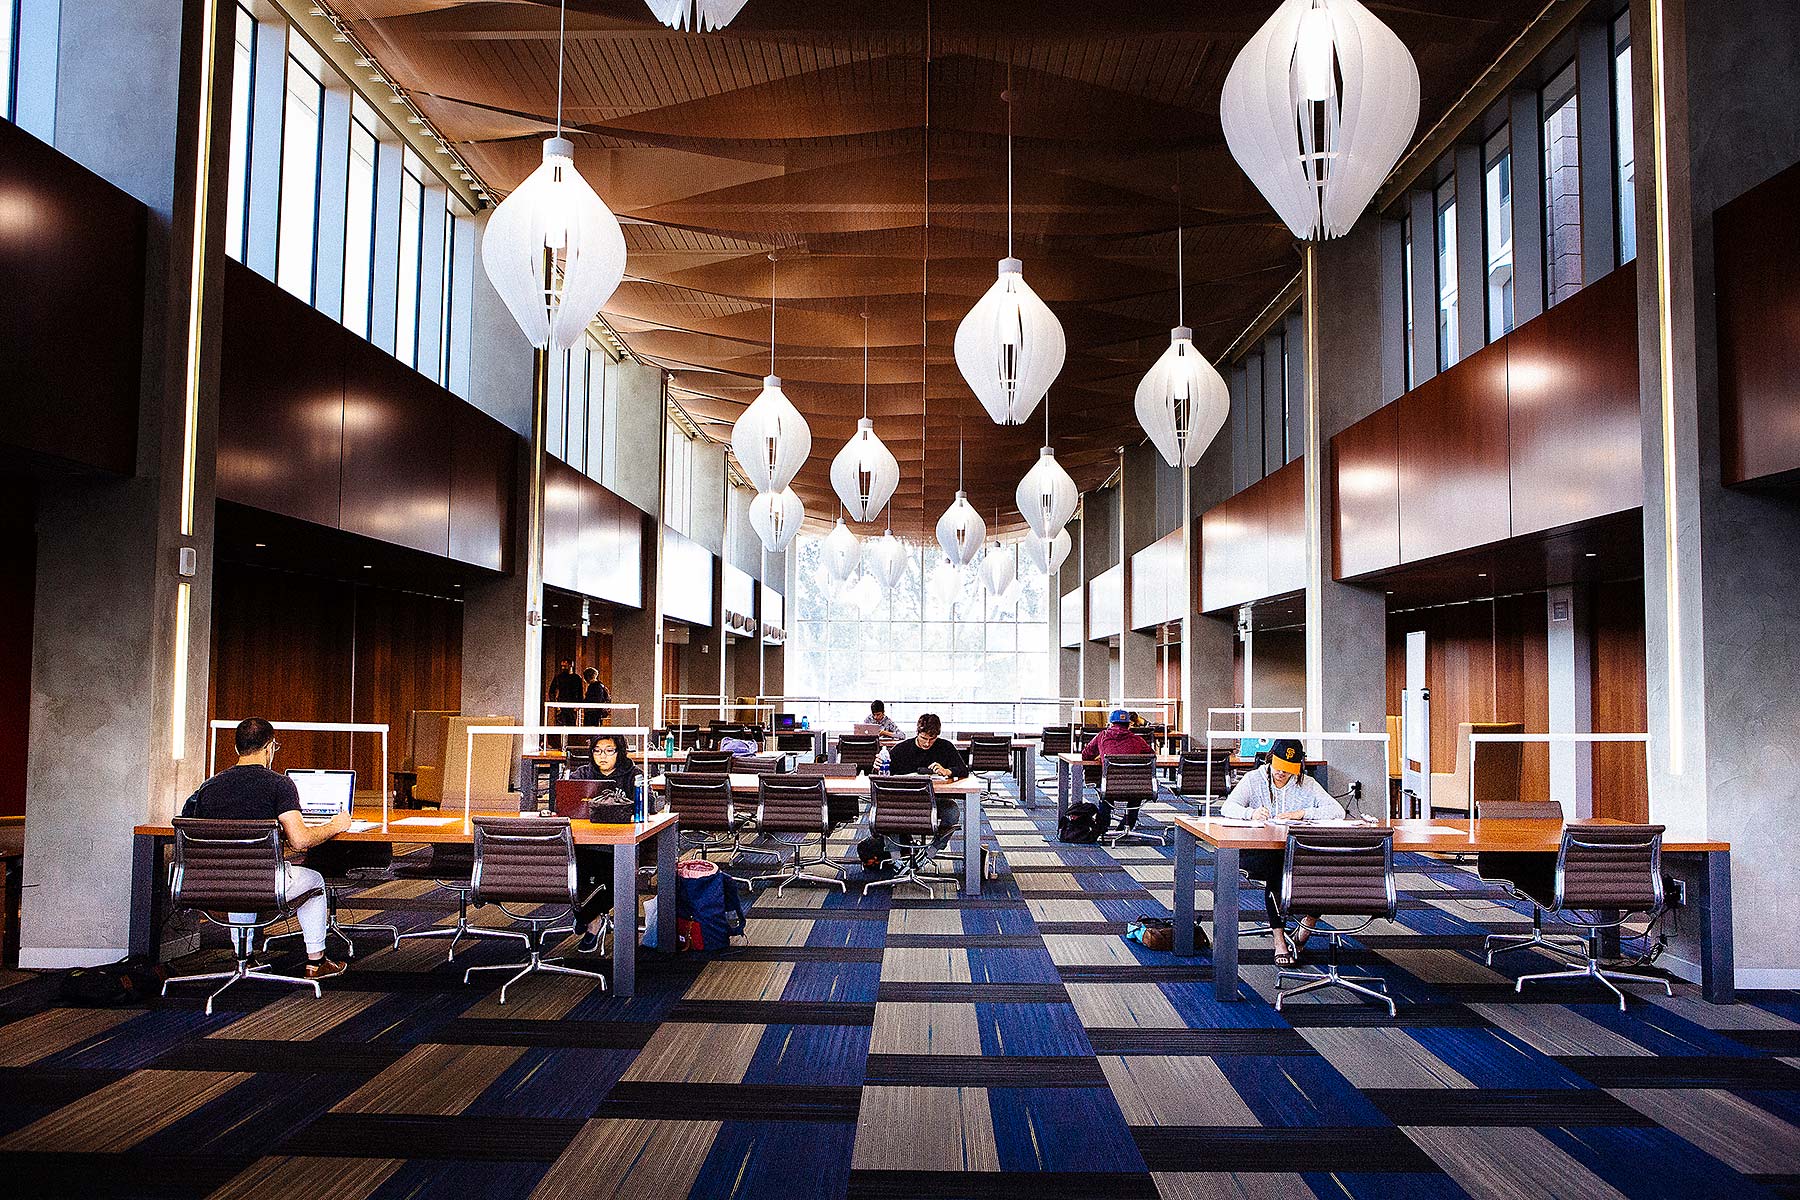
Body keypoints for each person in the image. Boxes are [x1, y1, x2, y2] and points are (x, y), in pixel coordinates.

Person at [179, 717, 350, 980]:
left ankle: (244, 956)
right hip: (263, 882)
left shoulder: (208, 787)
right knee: (313, 880)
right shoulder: (279, 784)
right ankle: (316, 962)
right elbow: (300, 840)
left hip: (213, 882)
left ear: (237, 749)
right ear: (270, 747)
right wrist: (336, 824)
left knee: (240, 871)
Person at [1220, 738, 1344, 965]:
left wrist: (1302, 813)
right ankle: (1279, 939)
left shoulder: (1306, 783)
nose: (1281, 774)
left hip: (1297, 850)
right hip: (1259, 851)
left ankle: (1306, 928)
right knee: (1278, 868)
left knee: (1322, 870)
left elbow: (1337, 811)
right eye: (1278, 767)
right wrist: (1251, 814)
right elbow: (1227, 807)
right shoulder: (1254, 779)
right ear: (1270, 760)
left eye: (1288, 771)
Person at [565, 734, 638, 954]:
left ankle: (588, 917)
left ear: (620, 752)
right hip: (584, 842)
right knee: (569, 870)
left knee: (613, 875)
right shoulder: (582, 774)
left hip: (618, 844)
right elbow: (564, 802)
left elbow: (649, 806)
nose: (602, 756)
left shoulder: (633, 775)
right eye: (597, 751)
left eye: (608, 750)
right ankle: (589, 914)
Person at [888, 713, 967, 845]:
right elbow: (882, 775)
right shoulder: (901, 749)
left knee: (952, 812)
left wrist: (948, 771)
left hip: (934, 801)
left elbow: (963, 770)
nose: (927, 743)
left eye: (932, 739)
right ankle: (896, 855)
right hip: (905, 801)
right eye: (924, 738)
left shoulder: (945, 747)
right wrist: (878, 765)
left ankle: (933, 849)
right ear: (917, 732)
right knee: (885, 812)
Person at [1082, 708, 1156, 830]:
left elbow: (1086, 754)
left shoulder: (1102, 736)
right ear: (1128, 725)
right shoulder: (1137, 739)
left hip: (1110, 786)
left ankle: (1101, 827)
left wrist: (1100, 756)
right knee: (1136, 791)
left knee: (1106, 790)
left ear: (1110, 724)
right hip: (1134, 788)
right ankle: (1127, 825)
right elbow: (1151, 756)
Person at [547, 659, 584, 744]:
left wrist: (578, 706)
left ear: (571, 665)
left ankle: (570, 745)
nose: (563, 668)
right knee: (560, 725)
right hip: (562, 705)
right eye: (562, 666)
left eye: (565, 666)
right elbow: (551, 691)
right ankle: (561, 745)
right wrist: (556, 704)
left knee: (571, 726)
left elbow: (580, 693)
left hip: (572, 706)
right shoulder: (558, 677)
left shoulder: (577, 678)